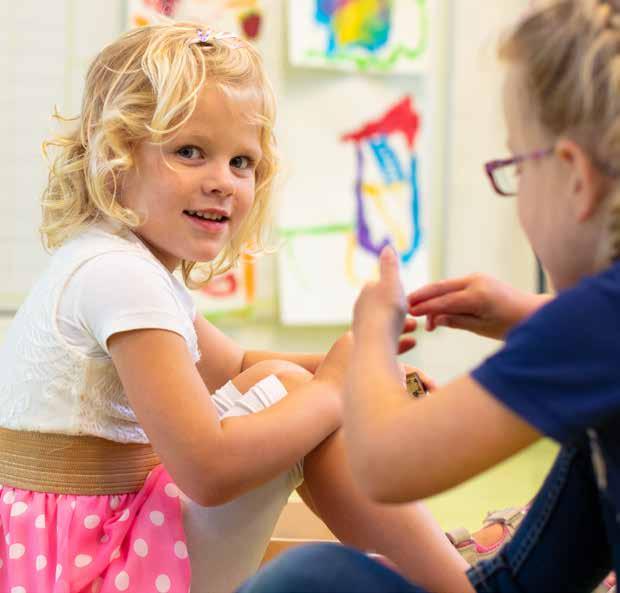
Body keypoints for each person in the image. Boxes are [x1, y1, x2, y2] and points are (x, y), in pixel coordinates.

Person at [0, 21, 472, 593]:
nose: (222, 181)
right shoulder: (120, 279)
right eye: (190, 151)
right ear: (114, 161)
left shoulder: (118, 264)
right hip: (85, 570)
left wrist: (358, 373)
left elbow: (238, 364)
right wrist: (332, 389)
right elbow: (207, 471)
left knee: (284, 384)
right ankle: (461, 582)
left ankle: (441, 570)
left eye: (241, 162)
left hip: (80, 551)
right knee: (292, 393)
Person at [236, 0, 620, 591]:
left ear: (575, 177)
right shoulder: (596, 329)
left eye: (516, 166)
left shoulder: (595, 321)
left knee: (311, 577)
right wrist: (525, 316)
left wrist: (370, 340)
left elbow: (385, 464)